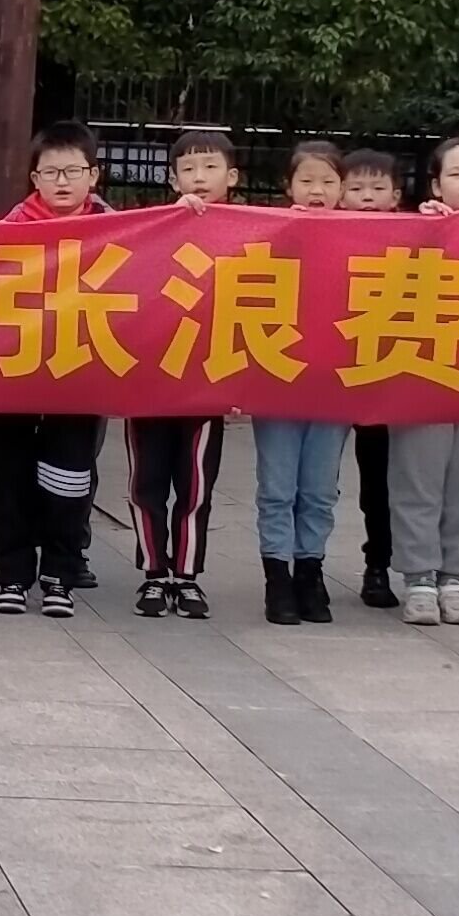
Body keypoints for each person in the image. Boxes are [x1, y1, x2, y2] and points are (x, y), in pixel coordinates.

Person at [0, 122, 108, 618]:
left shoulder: (120, 231)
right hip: (14, 375)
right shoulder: (7, 232)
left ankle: (60, 573)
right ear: (34, 178)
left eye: (72, 171)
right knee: (10, 478)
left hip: (80, 376)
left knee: (69, 478)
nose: (62, 181)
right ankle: (13, 577)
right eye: (50, 172)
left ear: (93, 175)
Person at [385, 132, 459, 628]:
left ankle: (456, 576)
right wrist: (426, 232)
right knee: (419, 481)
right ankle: (419, 577)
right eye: (456, 174)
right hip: (422, 373)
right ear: (437, 185)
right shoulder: (416, 230)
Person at [129, 126, 237, 618]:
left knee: (194, 488)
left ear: (232, 177)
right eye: (188, 169)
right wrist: (173, 223)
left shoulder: (251, 230)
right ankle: (154, 573)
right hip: (148, 382)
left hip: (205, 384)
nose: (199, 177)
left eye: (210, 167)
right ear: (173, 180)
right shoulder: (152, 226)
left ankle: (187, 575)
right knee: (146, 484)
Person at [251, 137, 349, 626]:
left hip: (334, 385)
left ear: (342, 188)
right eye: (306, 180)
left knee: (319, 489)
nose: (317, 190)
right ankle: (277, 577)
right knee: (277, 487)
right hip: (278, 381)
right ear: (288, 186)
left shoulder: (366, 238)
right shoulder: (268, 234)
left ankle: (311, 571)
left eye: (328, 181)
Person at [335, 144, 400, 607]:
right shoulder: (318, 233)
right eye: (357, 189)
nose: (367, 197)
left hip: (391, 377)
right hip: (332, 375)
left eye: (378, 189)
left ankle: (381, 563)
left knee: (387, 480)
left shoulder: (419, 235)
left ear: (396, 196)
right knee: (330, 483)